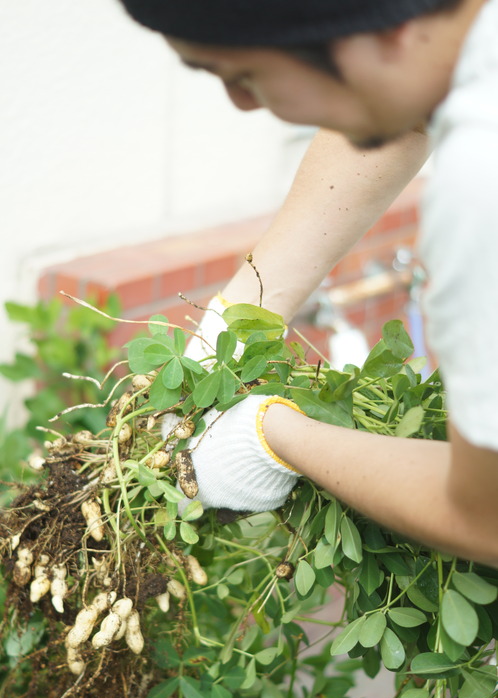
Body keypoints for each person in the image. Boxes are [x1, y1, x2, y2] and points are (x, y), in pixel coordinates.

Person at [118, 0, 498, 566]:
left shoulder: (480, 189)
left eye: (245, 75)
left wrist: (275, 437)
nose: (242, 105)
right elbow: (397, 104)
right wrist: (247, 308)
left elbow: (485, 516)